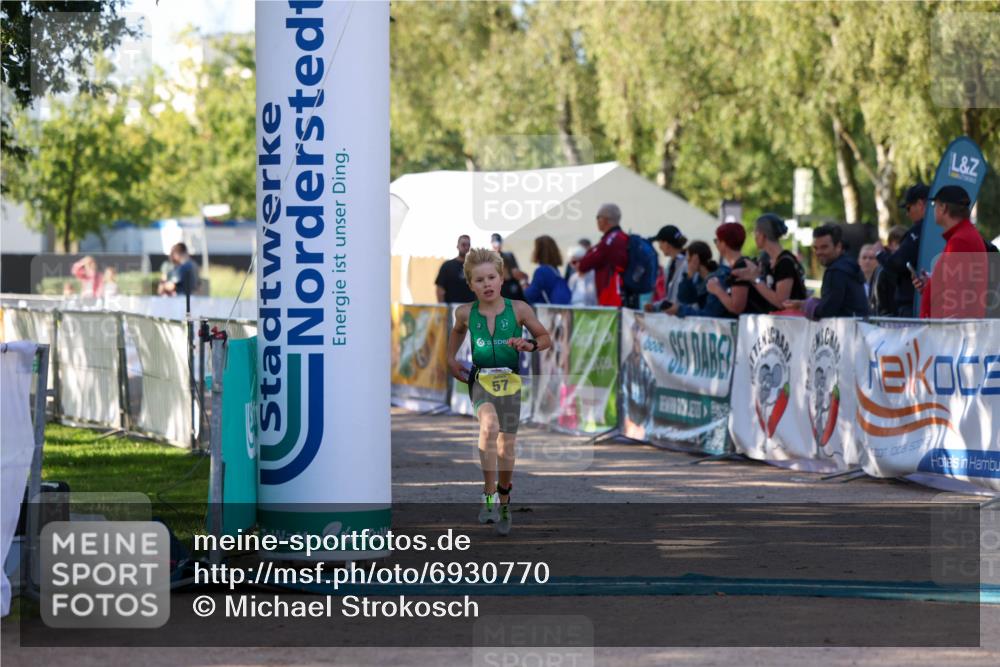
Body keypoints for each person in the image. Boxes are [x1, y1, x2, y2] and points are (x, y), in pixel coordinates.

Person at [447, 248, 551, 536]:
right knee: (489, 425)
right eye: (479, 280)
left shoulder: (519, 309)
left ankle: (505, 496)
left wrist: (529, 344)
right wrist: (451, 358)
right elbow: (456, 331)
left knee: (506, 447)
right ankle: (489, 494)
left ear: (501, 279)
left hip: (509, 383)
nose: (487, 284)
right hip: (480, 380)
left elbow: (545, 338)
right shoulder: (465, 312)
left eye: (491, 277)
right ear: (470, 285)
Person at [913, 185, 987, 319]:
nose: (933, 209)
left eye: (935, 204)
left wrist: (947, 335)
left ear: (944, 208)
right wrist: (931, 285)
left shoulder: (960, 241)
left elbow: (956, 298)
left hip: (950, 335)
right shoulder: (964, 236)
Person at [660, 222, 748, 319]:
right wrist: (688, 276)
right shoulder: (701, 280)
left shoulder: (716, 279)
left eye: (717, 240)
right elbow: (686, 299)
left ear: (695, 258)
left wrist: (679, 310)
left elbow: (710, 314)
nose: (687, 263)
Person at [784, 224, 868, 319]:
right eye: (816, 248)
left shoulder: (837, 271)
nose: (819, 252)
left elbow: (827, 311)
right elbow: (838, 304)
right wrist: (803, 303)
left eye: (824, 247)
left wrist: (804, 306)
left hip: (848, 330)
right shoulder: (848, 265)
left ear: (838, 246)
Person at [730, 213, 807, 313]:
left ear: (762, 235)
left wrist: (755, 280)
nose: (754, 237)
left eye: (755, 232)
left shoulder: (785, 262)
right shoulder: (769, 261)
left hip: (790, 324)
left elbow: (782, 302)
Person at [875, 183, 928, 316]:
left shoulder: (919, 230)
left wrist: (880, 254)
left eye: (909, 208)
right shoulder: (936, 230)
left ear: (921, 204)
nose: (907, 213)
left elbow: (898, 262)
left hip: (913, 304)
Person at [571, 203, 629, 307]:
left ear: (605, 219)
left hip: (611, 296)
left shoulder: (610, 241)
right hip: (620, 294)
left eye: (598, 217)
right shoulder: (621, 237)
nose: (597, 221)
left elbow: (585, 264)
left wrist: (579, 264)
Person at [644, 240, 715, 312]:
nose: (687, 261)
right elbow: (682, 297)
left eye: (688, 258)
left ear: (695, 258)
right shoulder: (695, 277)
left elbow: (688, 301)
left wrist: (689, 274)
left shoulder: (711, 281)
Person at [523, 235, 571, 305]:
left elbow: (530, 296)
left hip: (546, 312)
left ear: (539, 251)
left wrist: (523, 285)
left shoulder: (541, 271)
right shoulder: (554, 269)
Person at [649, 225, 688, 304]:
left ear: (666, 244)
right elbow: (669, 297)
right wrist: (655, 306)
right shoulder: (672, 263)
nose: (659, 246)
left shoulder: (687, 264)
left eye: (660, 243)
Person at [435, 235, 475, 303]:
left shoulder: (475, 267)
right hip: (452, 308)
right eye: (463, 244)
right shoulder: (447, 266)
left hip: (470, 308)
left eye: (468, 245)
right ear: (457, 246)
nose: (466, 247)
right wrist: (442, 307)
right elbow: (440, 288)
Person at [491, 233, 529, 301]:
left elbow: (517, 273)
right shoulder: (486, 258)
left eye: (498, 243)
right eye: (494, 243)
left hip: (510, 287)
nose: (497, 245)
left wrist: (523, 280)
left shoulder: (509, 256)